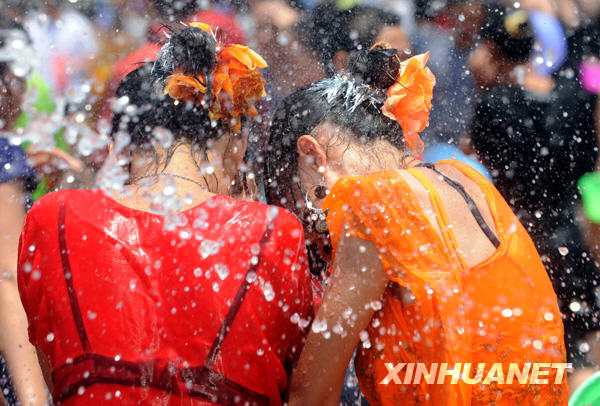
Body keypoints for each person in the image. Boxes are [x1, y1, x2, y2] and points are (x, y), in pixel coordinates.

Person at [18, 23, 313, 405]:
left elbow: (59, 373)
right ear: (236, 146)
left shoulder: (52, 217)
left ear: (116, 147)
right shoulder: (272, 229)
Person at [264, 43, 568, 405]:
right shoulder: (466, 179)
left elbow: (310, 397)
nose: (317, 232)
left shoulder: (372, 201)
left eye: (302, 200)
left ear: (313, 156)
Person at [467, 6, 600, 365]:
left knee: (522, 359)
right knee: (581, 352)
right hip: (569, 242)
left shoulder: (494, 105)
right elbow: (588, 165)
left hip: (518, 246)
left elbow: (482, 170)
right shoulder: (575, 99)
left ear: (492, 51)